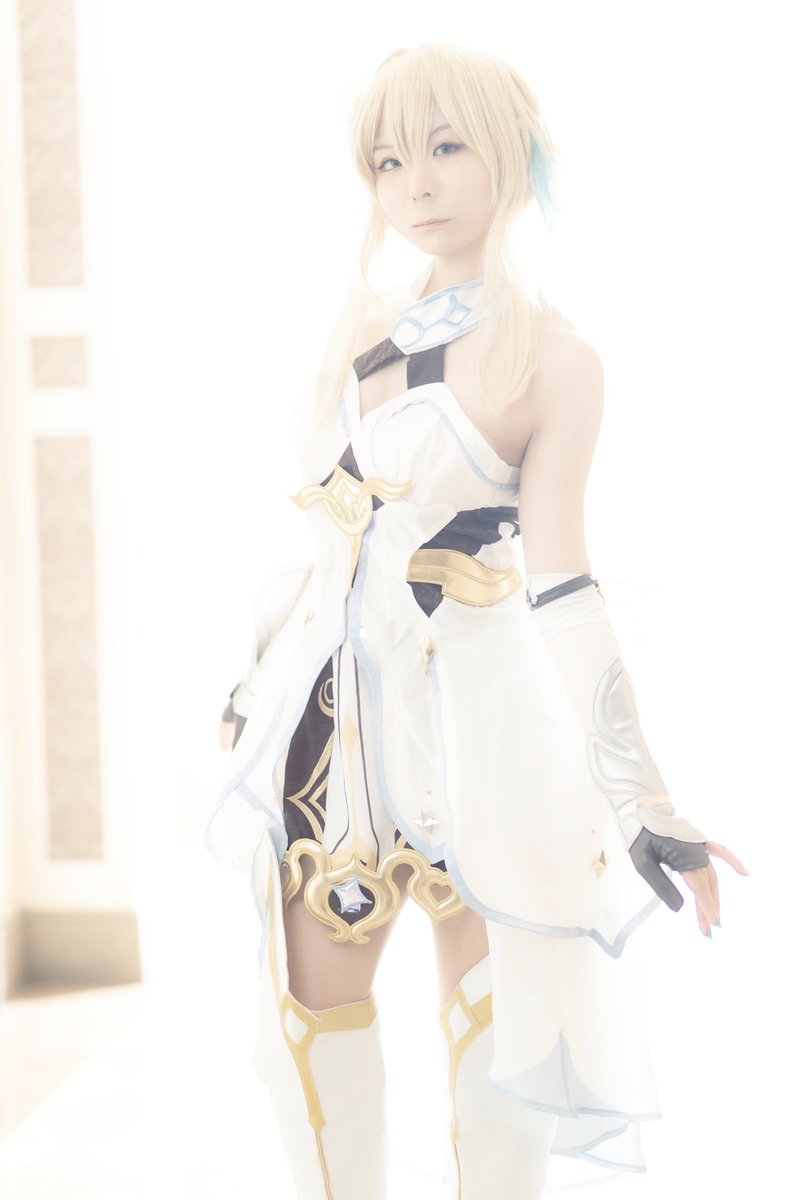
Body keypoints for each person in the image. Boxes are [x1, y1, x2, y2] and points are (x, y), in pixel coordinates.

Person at [206, 41, 749, 1199]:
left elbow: (564, 583)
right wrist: (258, 690)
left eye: (445, 147)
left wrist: (643, 802)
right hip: (334, 731)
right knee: (306, 1034)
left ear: (510, 152)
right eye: (388, 160)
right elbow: (332, 557)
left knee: (497, 1043)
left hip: (483, 732)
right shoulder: (358, 330)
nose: (416, 185)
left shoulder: (555, 358)